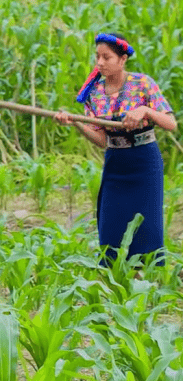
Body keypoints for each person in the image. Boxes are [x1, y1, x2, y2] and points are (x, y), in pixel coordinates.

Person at [56, 32, 176, 265]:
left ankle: (144, 286)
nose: (99, 62)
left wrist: (146, 111)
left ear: (122, 60)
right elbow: (102, 140)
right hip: (116, 165)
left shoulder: (143, 83)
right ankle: (115, 285)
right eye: (97, 57)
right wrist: (76, 123)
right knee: (111, 227)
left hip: (144, 163)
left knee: (146, 228)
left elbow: (171, 123)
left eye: (106, 57)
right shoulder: (94, 93)